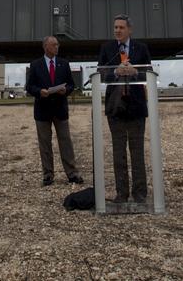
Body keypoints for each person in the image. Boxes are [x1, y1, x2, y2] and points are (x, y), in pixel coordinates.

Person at [96, 14, 152, 204]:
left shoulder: (141, 48)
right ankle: (122, 193)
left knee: (137, 153)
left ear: (129, 30)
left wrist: (136, 71)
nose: (117, 30)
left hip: (136, 107)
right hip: (116, 107)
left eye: (121, 27)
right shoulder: (107, 49)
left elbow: (149, 71)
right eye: (115, 28)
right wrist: (115, 71)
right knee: (118, 153)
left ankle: (140, 193)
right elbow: (100, 73)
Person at [24, 35, 84, 186]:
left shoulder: (64, 64)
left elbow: (71, 84)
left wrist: (66, 90)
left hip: (60, 109)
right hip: (42, 110)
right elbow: (29, 87)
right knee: (45, 144)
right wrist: (40, 92)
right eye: (54, 45)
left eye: (57, 45)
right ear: (45, 47)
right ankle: (48, 174)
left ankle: (72, 173)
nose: (57, 47)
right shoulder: (35, 65)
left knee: (66, 142)